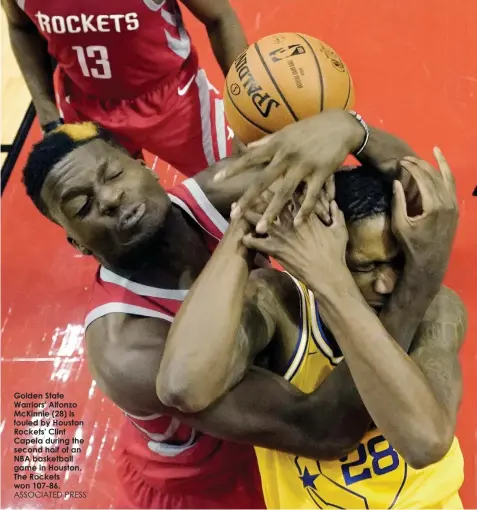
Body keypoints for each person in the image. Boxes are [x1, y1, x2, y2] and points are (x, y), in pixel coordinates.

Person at [21, 111, 463, 508]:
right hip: (211, 479)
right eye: (82, 205)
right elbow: (322, 430)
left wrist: (354, 131)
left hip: (277, 406)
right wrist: (416, 286)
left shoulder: (218, 192)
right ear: (77, 242)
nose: (110, 198)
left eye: (113, 174)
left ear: (143, 165)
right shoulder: (125, 348)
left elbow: (417, 196)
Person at [3, 0, 246, 176]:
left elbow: (219, 17)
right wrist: (46, 112)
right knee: (120, 232)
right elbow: (20, 26)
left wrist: (246, 103)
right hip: (84, 106)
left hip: (174, 98)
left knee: (242, 185)